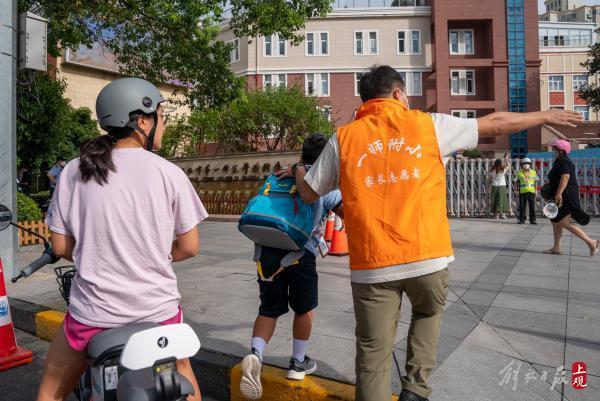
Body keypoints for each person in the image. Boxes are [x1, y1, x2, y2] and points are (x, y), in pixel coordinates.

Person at [288, 65, 584, 401]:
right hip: (427, 257)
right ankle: (415, 389)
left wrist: (299, 170)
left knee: (372, 352)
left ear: (366, 99)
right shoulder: (429, 125)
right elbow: (495, 123)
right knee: (427, 314)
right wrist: (545, 114)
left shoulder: (344, 138)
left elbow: (311, 192)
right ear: (399, 94)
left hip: (372, 265)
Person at [38, 78, 207, 401]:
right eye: (162, 115)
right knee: (184, 377)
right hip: (158, 313)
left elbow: (59, 247)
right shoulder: (169, 173)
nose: (165, 124)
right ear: (142, 120)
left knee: (51, 390)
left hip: (93, 316)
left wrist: (96, 254)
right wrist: (155, 254)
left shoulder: (74, 170)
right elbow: (189, 246)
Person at [239, 134, 343, 400]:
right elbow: (348, 212)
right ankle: (298, 362)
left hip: (268, 252)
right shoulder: (323, 184)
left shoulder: (281, 174)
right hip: (300, 253)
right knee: (304, 308)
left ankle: (255, 354)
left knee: (269, 309)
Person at [543, 139, 599, 256]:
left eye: (555, 149)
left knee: (563, 222)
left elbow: (565, 177)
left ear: (561, 150)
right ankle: (556, 247)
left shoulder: (564, 161)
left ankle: (591, 242)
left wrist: (559, 193)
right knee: (555, 221)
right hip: (559, 194)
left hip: (565, 196)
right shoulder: (559, 161)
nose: (553, 151)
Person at [516, 158, 539, 225]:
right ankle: (522, 219)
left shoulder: (533, 172)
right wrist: (516, 190)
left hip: (531, 191)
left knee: (532, 206)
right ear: (522, 165)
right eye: (524, 163)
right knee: (522, 206)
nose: (526, 165)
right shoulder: (519, 172)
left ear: (530, 164)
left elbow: (535, 182)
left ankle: (533, 220)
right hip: (522, 192)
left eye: (527, 163)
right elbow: (515, 182)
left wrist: (536, 190)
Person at [490, 153, 510, 219]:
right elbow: (508, 166)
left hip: (494, 186)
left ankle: (496, 215)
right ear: (500, 164)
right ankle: (502, 214)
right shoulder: (502, 170)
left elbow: (490, 179)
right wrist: (506, 159)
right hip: (502, 186)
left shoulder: (492, 170)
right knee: (502, 200)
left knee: (495, 200)